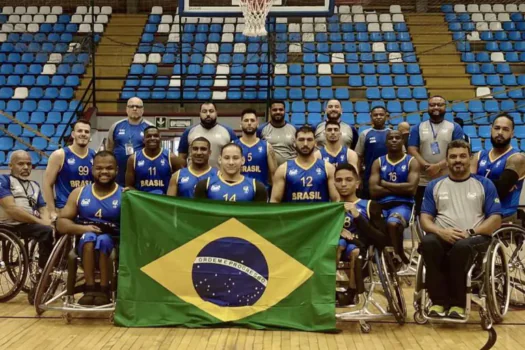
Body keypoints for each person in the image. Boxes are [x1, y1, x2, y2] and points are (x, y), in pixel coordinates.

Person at [420, 140, 501, 319]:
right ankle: (439, 303)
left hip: (474, 238)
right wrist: (441, 232)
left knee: (462, 247)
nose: (458, 160)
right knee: (428, 242)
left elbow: (495, 219)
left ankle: (457, 304)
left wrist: (470, 232)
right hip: (443, 235)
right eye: (453, 156)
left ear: (470, 158)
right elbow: (425, 219)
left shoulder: (484, 184)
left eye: (463, 156)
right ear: (446, 160)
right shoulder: (434, 186)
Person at [57, 151, 123, 306]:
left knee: (103, 240)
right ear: (92, 170)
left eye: (109, 168)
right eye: (99, 168)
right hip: (86, 240)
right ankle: (90, 287)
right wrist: (83, 229)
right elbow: (61, 223)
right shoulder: (79, 193)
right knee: (89, 238)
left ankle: (104, 289)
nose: (104, 172)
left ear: (117, 170)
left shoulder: (124, 194)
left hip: (113, 241)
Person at [335, 163, 390, 305]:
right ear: (334, 183)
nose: (343, 184)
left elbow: (382, 239)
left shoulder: (369, 205)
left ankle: (351, 292)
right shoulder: (329, 207)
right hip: (337, 249)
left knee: (356, 252)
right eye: (339, 180)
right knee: (336, 245)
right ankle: (327, 290)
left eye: (348, 180)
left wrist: (357, 216)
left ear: (357, 184)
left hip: (362, 251)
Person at [369, 130, 420, 264]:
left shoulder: (412, 162)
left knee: (392, 223)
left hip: (403, 204)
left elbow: (411, 189)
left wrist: (385, 184)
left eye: (397, 138)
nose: (394, 140)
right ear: (386, 142)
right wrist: (400, 188)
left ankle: (399, 254)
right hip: (380, 205)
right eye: (391, 138)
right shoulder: (378, 162)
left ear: (402, 141)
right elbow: (373, 190)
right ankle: (383, 256)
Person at [408, 95, 464, 215]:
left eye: (440, 104)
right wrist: (427, 166)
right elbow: (412, 149)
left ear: (445, 107)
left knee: (447, 212)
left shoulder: (455, 127)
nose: (436, 107)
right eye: (432, 105)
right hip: (423, 180)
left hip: (448, 178)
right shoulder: (417, 128)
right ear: (428, 107)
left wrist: (438, 166)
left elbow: (458, 151)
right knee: (422, 213)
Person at [0, 150, 53, 271]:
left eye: (29, 164)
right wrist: (40, 222)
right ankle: (44, 271)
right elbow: (11, 209)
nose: (25, 167)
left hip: (25, 225)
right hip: (6, 225)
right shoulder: (3, 180)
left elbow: (43, 208)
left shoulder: (34, 185)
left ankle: (47, 269)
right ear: (10, 166)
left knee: (54, 229)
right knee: (45, 229)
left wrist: (47, 221)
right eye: (21, 164)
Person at [471, 113, 525, 223]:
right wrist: (495, 183)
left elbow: (501, 190)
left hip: (504, 217)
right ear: (491, 130)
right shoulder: (478, 156)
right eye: (497, 128)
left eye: (505, 129)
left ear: (512, 134)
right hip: (478, 215)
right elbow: (466, 185)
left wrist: (476, 181)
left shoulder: (517, 159)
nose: (500, 132)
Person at [270, 125, 339, 203]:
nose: (305, 144)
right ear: (294, 142)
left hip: (320, 215)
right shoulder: (283, 169)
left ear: (315, 143)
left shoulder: (328, 168)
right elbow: (275, 201)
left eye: (309, 140)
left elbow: (336, 200)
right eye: (301, 140)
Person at [43, 119, 95, 220]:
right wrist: (51, 210)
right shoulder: (60, 155)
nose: (83, 134)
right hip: (65, 209)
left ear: (90, 136)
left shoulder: (95, 155)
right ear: (73, 134)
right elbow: (47, 184)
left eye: (86, 132)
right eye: (80, 131)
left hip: (88, 208)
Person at [194, 143, 268, 202]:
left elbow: (259, 218)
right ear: (220, 160)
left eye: (235, 158)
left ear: (242, 160)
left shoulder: (256, 187)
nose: (231, 162)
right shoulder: (205, 185)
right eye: (226, 158)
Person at [106, 97, 153, 186]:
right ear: (127, 109)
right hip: (119, 172)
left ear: (142, 110)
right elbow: (109, 149)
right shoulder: (116, 126)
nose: (134, 108)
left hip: (141, 171)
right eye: (131, 106)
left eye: (138, 106)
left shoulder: (150, 127)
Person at [125, 126, 184, 194]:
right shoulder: (133, 159)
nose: (152, 138)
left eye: (155, 136)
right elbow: (129, 186)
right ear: (143, 139)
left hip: (164, 201)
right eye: (149, 136)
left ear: (160, 138)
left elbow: (180, 184)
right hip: (142, 202)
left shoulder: (171, 157)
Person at [177, 101, 237, 168]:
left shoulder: (228, 132)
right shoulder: (188, 132)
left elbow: (236, 156)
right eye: (204, 111)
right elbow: (181, 157)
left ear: (216, 113)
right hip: (194, 177)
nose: (208, 114)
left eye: (211, 111)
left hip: (219, 176)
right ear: (200, 114)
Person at [234, 108, 277, 189]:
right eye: (246, 120)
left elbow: (273, 175)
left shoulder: (267, 146)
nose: (249, 123)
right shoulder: (233, 145)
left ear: (257, 124)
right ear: (241, 124)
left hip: (261, 193)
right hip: (238, 192)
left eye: (252, 120)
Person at [355, 106, 391, 198]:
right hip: (369, 177)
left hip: (390, 177)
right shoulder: (365, 134)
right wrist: (358, 177)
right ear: (371, 117)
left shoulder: (392, 134)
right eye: (375, 115)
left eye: (381, 115)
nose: (378, 117)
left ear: (386, 116)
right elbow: (358, 157)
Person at [258, 100, 297, 167]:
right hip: (269, 170)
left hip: (290, 170)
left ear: (285, 111)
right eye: (275, 110)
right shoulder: (261, 129)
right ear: (270, 111)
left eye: (281, 110)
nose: (278, 112)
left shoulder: (294, 129)